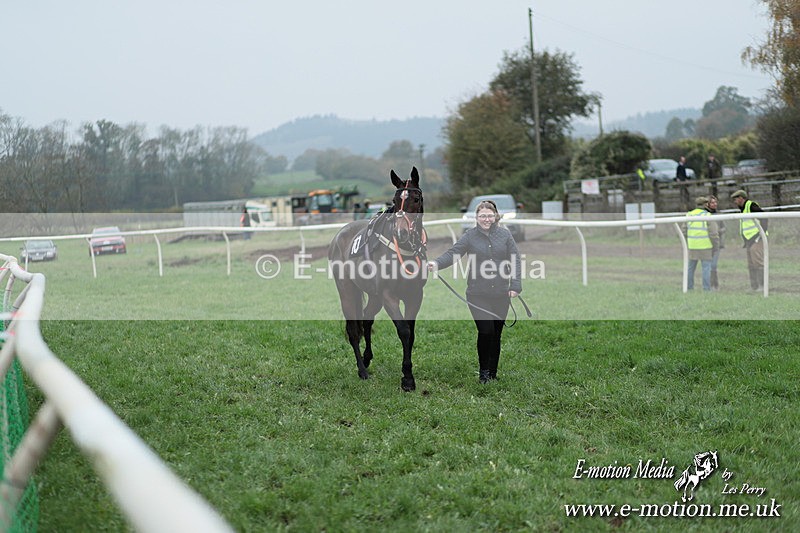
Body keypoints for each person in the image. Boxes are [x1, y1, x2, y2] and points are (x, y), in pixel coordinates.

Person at [428, 200, 522, 383]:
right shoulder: (469, 236)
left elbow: (516, 259)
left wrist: (515, 285)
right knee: (486, 331)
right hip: (477, 294)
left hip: (502, 293)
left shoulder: (505, 235)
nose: (486, 219)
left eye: (489, 215)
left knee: (496, 333)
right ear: (476, 217)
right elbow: (453, 253)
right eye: (482, 216)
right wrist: (437, 263)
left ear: (495, 216)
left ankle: (493, 373)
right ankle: (484, 372)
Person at [730, 190, 768, 290]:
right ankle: (754, 287)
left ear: (741, 198)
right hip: (749, 241)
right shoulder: (742, 209)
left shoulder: (751, 205)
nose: (735, 201)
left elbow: (764, 217)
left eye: (736, 199)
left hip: (757, 239)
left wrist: (761, 234)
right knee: (751, 264)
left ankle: (763, 286)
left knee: (758, 263)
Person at [684, 196, 719, 291]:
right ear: (705, 204)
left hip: (692, 245)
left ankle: (689, 288)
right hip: (705, 245)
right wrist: (716, 245)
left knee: (690, 268)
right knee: (706, 268)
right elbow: (713, 233)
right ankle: (706, 289)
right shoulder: (707, 216)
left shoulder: (689, 215)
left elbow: (684, 230)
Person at [707, 195, 726, 290]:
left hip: (717, 244)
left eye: (715, 202)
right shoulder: (705, 215)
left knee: (713, 265)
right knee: (709, 265)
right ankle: (712, 284)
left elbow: (724, 228)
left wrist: (717, 231)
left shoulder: (719, 215)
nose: (714, 204)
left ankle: (715, 285)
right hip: (707, 243)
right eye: (712, 202)